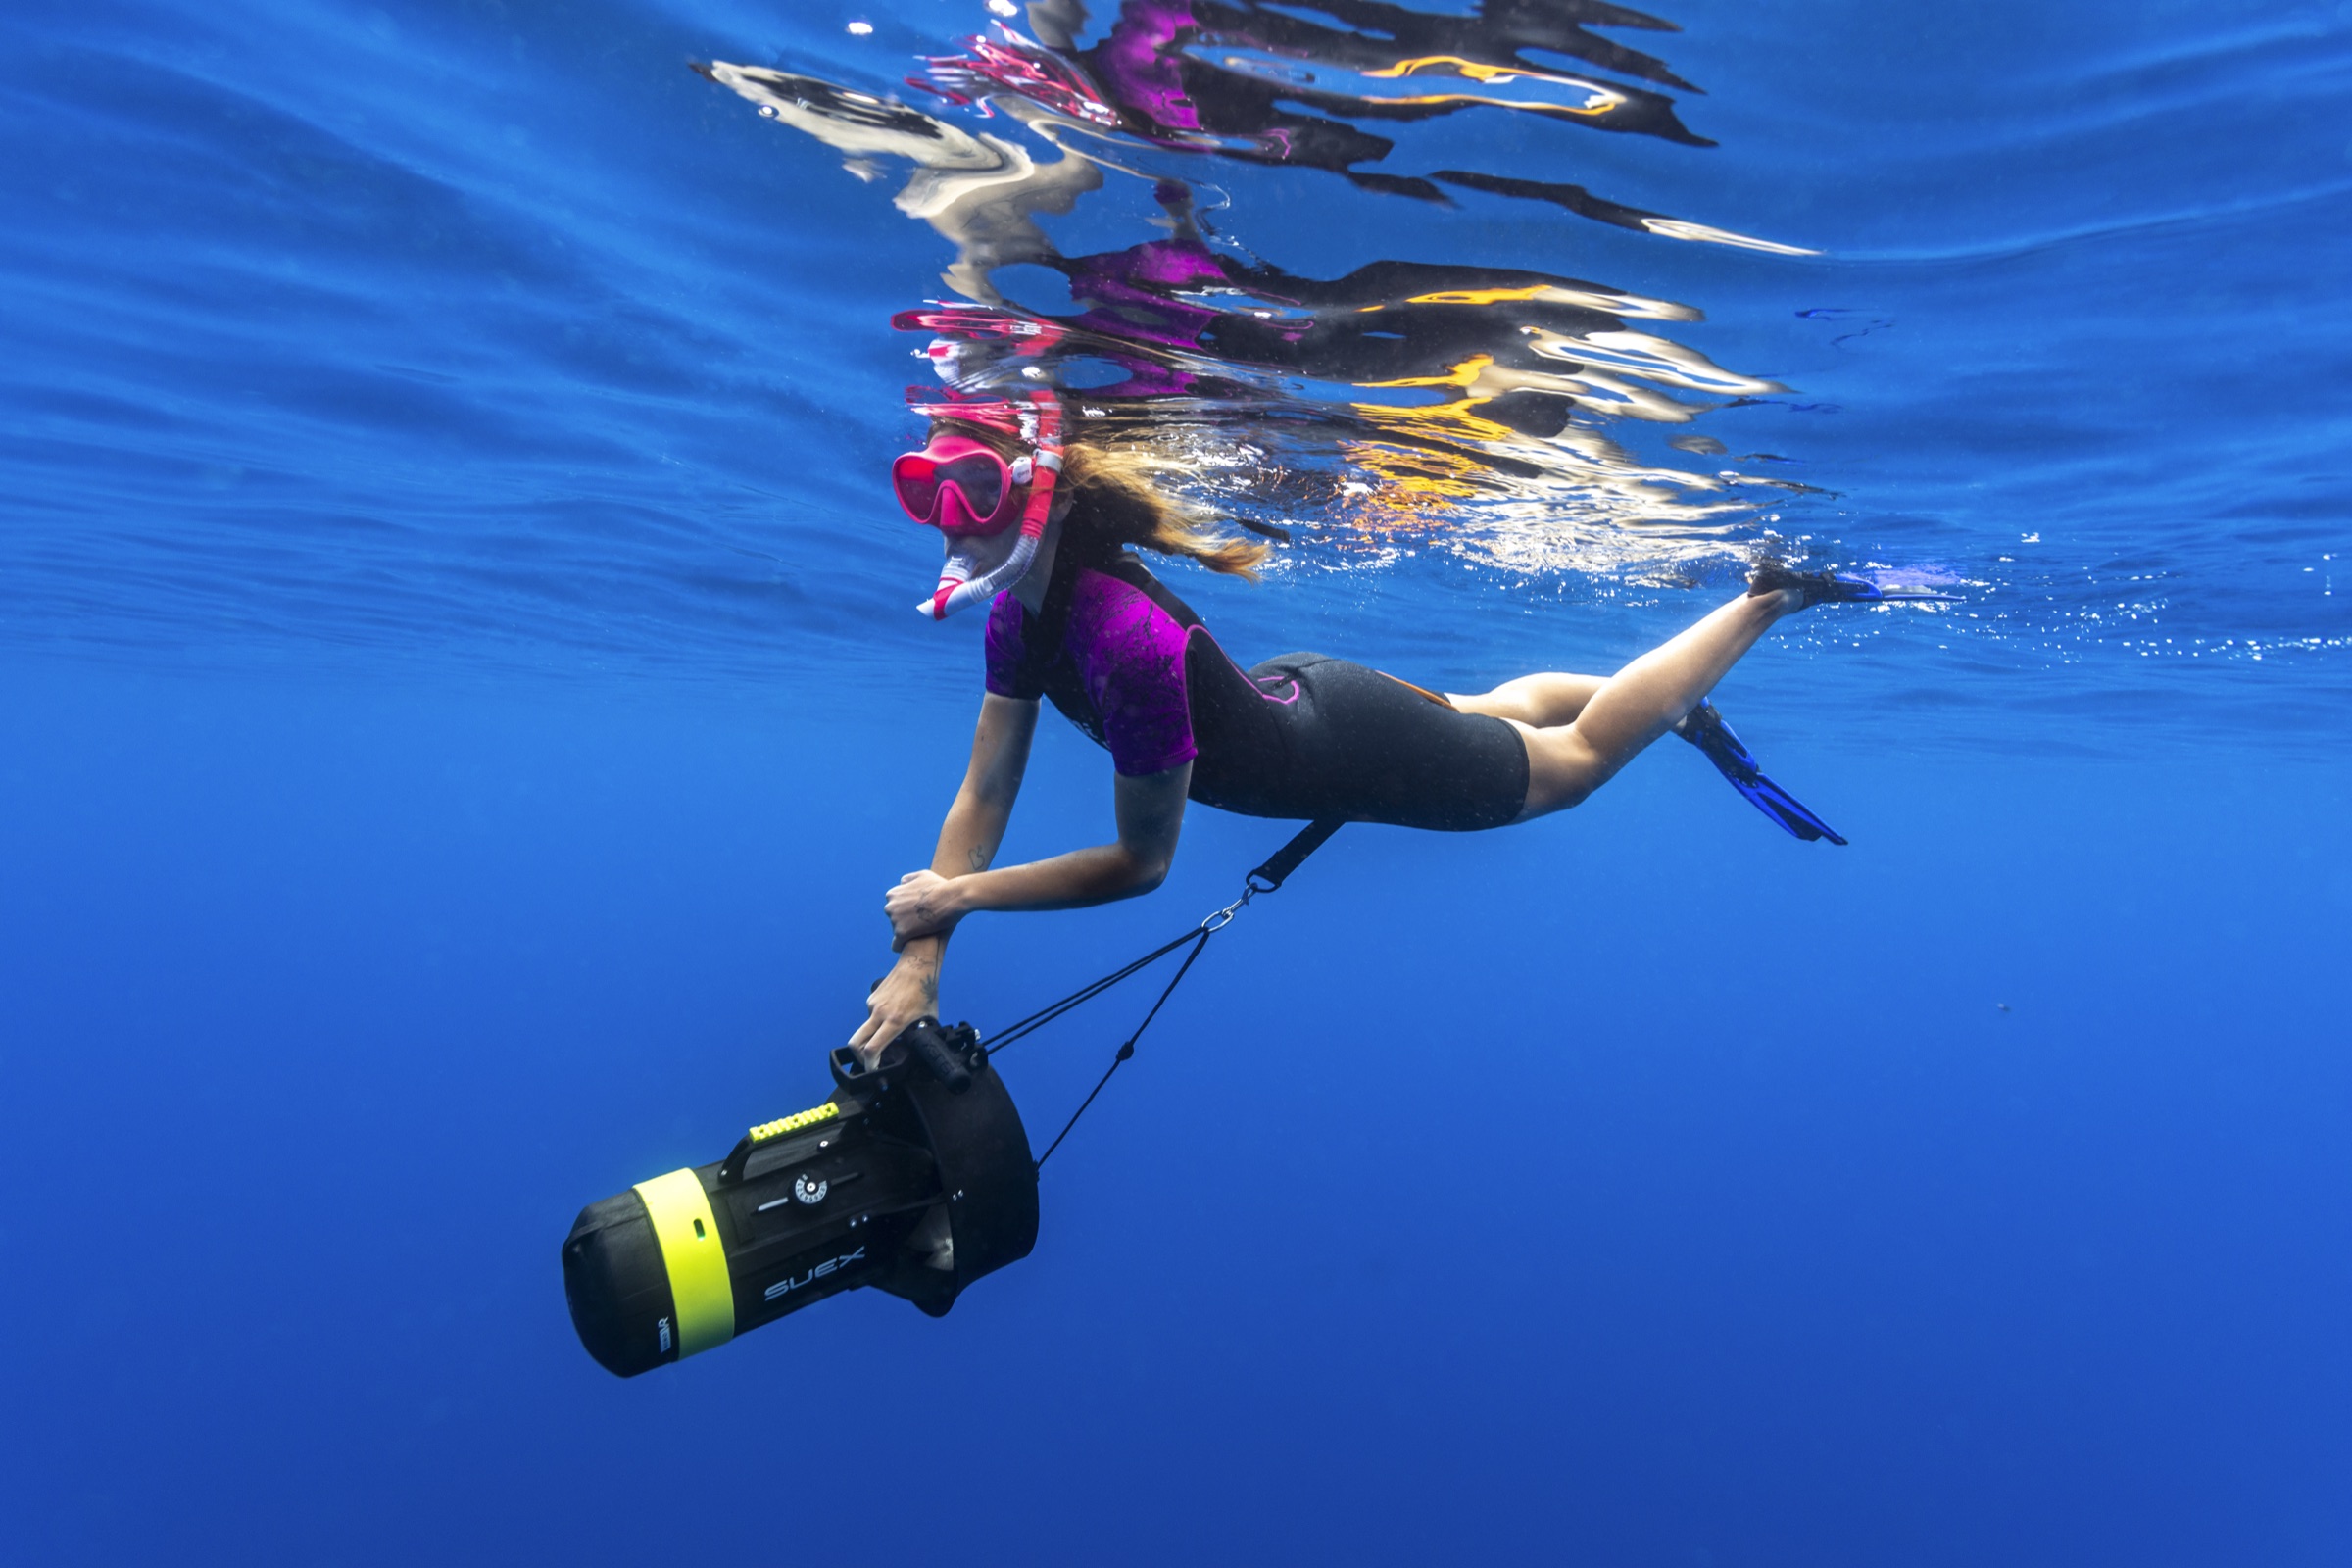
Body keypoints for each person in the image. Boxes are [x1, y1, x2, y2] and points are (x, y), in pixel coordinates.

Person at [851, 396, 1883, 1062]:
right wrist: (927, 955)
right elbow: (986, 791)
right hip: (1305, 700)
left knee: (1569, 765)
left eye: (972, 487)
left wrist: (960, 896)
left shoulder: (1121, 639)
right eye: (922, 487)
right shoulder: (1017, 616)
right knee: (1487, 717)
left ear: (1038, 491)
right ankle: (1667, 692)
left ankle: (1763, 603)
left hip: (1340, 742)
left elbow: (1141, 864)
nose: (946, 513)